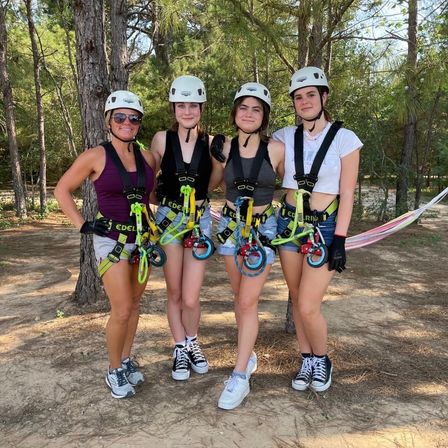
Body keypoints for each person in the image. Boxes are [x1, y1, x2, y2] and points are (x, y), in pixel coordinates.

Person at [54, 90, 155, 399]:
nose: (127, 123)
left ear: (139, 124)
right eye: (120, 117)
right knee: (122, 308)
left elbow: (150, 197)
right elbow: (62, 190)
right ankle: (113, 370)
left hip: (142, 241)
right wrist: (82, 224)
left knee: (135, 306)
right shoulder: (96, 156)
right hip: (111, 240)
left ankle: (124, 360)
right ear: (109, 121)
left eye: (133, 118)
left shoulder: (148, 157)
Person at [272, 66, 362, 393]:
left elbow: (348, 191)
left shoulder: (345, 139)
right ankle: (306, 357)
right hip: (289, 224)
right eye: (299, 97)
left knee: (310, 304)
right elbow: (249, 148)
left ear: (324, 97)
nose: (305, 101)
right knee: (297, 299)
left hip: (323, 228)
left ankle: (322, 358)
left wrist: (340, 237)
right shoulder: (284, 137)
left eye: (311, 94)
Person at [212, 82, 284, 410]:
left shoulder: (277, 149)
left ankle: (240, 375)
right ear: (235, 112)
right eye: (244, 107)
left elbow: (296, 185)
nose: (249, 114)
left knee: (246, 300)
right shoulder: (223, 146)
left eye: (257, 109)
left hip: (263, 228)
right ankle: (248, 353)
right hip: (229, 226)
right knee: (239, 299)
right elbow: (210, 182)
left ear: (265, 115)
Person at [150, 75, 221, 381]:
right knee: (175, 291)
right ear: (174, 107)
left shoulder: (212, 142)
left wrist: (218, 162)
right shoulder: (162, 139)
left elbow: (213, 183)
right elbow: (149, 180)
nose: (187, 111)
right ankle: (179, 346)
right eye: (181, 105)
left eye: (193, 105)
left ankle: (192, 341)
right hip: (169, 219)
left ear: (201, 108)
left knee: (192, 296)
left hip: (200, 219)